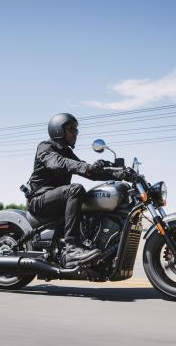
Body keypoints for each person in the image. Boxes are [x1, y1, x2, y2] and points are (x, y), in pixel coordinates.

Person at [26, 113, 125, 267]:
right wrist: (87, 167)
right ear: (58, 130)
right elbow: (58, 163)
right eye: (72, 129)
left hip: (57, 200)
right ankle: (71, 248)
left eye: (77, 130)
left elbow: (88, 172)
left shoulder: (68, 152)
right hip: (39, 200)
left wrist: (118, 174)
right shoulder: (45, 147)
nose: (75, 134)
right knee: (76, 189)